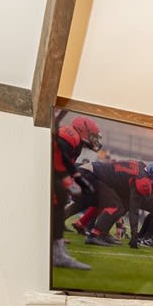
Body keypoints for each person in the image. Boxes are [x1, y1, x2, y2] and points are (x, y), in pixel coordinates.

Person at [50, 115, 102, 269]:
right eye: (92, 136)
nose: (94, 140)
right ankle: (57, 251)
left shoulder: (75, 141)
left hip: (54, 175)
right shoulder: (69, 136)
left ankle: (55, 243)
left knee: (59, 202)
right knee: (57, 201)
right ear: (82, 130)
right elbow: (56, 159)